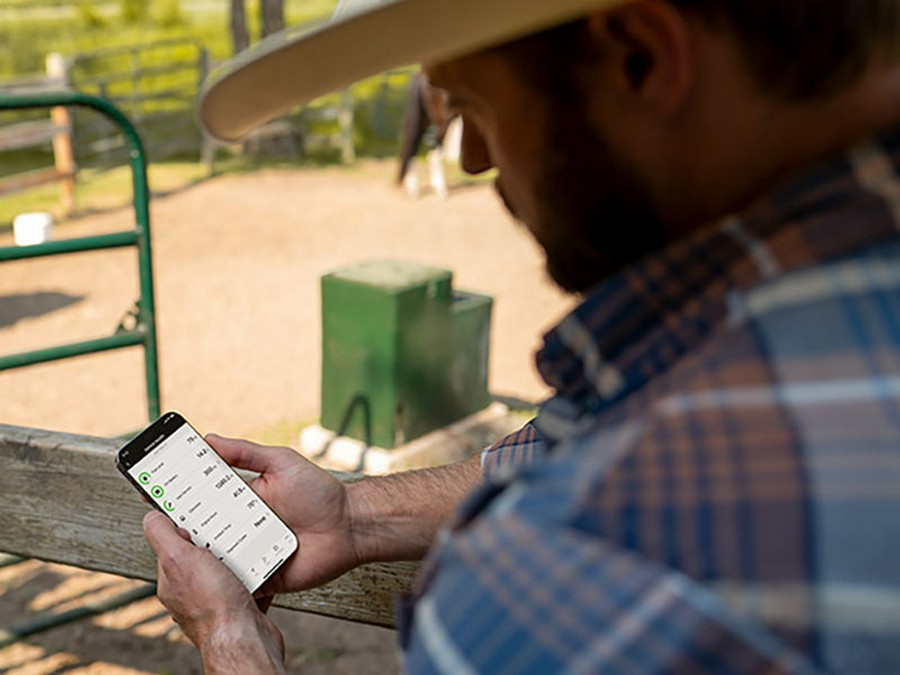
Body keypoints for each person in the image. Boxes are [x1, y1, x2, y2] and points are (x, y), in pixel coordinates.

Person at [143, 0, 900, 671]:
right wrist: (356, 517)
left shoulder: (573, 566)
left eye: (471, 101)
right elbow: (585, 434)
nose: (472, 155)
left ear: (639, 58)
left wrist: (230, 641)